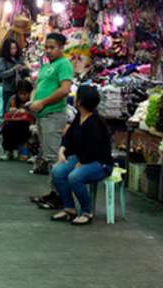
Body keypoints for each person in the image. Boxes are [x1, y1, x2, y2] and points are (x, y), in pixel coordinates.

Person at [47, 85, 114, 225]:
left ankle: (86, 211)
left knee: (74, 177)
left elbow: (95, 149)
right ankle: (69, 208)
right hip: (82, 158)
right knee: (57, 171)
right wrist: (62, 151)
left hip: (99, 162)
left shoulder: (96, 122)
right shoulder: (79, 117)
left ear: (80, 102)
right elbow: (68, 137)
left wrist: (82, 162)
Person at [29, 33, 74, 176]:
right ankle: (54, 192)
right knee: (48, 155)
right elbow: (37, 86)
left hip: (53, 115)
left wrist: (42, 102)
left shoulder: (64, 64)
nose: (48, 50)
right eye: (46, 47)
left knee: (54, 156)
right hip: (42, 115)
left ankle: (59, 194)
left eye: (52, 47)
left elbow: (65, 89)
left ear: (61, 48)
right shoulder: (47, 65)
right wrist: (32, 102)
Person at [1, 79, 36, 161]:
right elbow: (6, 113)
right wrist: (12, 110)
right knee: (7, 127)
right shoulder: (13, 99)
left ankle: (25, 151)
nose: (23, 96)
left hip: (28, 123)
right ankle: (8, 151)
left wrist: (27, 111)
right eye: (20, 94)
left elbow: (36, 114)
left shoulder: (33, 99)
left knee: (25, 128)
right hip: (14, 121)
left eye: (25, 94)